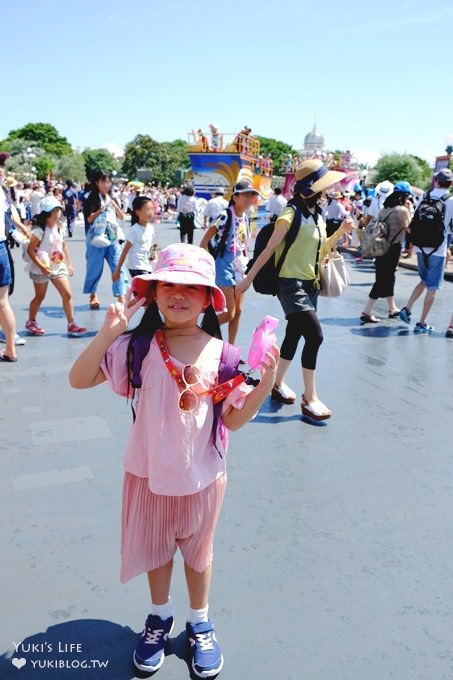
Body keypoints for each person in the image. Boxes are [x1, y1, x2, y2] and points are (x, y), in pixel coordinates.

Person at [69, 243, 279, 678]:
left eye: (191, 287)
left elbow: (233, 422)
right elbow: (79, 378)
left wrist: (265, 383)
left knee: (199, 554)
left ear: (207, 300)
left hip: (202, 476)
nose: (178, 294)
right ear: (154, 293)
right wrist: (109, 331)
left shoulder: (226, 356)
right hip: (148, 473)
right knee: (157, 550)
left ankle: (199, 621)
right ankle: (159, 617)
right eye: (169, 284)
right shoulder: (135, 346)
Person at [236, 160, 353, 420]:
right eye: (322, 186)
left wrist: (340, 233)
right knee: (315, 336)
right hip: (290, 284)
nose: (327, 191)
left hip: (311, 283)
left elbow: (320, 249)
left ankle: (277, 384)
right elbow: (268, 251)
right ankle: (309, 397)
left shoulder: (318, 215)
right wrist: (247, 280)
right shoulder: (290, 214)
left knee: (294, 334)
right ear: (311, 188)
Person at [200, 179, 258, 344]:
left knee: (238, 311)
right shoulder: (225, 215)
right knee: (229, 313)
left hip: (240, 266)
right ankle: (200, 330)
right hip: (224, 264)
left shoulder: (245, 218)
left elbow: (244, 243)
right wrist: (210, 262)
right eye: (245, 195)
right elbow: (204, 241)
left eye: (251, 195)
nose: (249, 198)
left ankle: (231, 347)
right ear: (235, 197)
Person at [399, 168, 453, 333]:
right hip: (438, 248)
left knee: (423, 280)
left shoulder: (425, 196)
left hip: (420, 247)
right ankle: (422, 322)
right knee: (432, 287)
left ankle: (407, 308)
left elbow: (415, 219)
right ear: (451, 183)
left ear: (436, 180)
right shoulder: (451, 200)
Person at [24, 196, 87, 337]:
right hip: (42, 267)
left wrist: (69, 263)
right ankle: (31, 321)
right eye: (55, 210)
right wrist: (41, 266)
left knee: (67, 294)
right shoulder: (39, 231)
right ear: (48, 213)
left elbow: (63, 245)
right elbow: (30, 250)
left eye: (59, 210)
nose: (58, 213)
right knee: (40, 296)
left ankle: (72, 323)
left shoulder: (60, 228)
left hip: (58, 265)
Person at [360, 182, 412, 323]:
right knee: (383, 280)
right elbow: (409, 228)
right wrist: (410, 211)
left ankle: (392, 307)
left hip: (380, 247)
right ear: (404, 196)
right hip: (393, 248)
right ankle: (367, 311)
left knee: (387, 277)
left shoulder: (384, 209)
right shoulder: (402, 211)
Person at [83, 170, 128, 309]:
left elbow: (122, 217)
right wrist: (99, 211)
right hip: (96, 238)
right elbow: (89, 218)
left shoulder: (112, 197)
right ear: (97, 182)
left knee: (117, 265)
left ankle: (121, 295)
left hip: (112, 237)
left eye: (108, 181)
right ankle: (93, 295)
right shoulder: (91, 198)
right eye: (103, 181)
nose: (106, 184)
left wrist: (114, 205)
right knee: (94, 268)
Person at [113, 196, 156, 280]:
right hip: (136, 267)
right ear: (137, 212)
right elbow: (125, 251)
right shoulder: (134, 230)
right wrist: (118, 269)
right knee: (144, 290)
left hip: (147, 266)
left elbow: (152, 245)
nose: (151, 212)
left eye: (152, 209)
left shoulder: (151, 228)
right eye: (147, 209)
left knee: (143, 291)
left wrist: (153, 254)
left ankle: (130, 292)